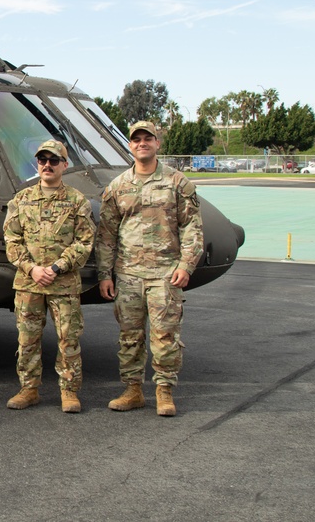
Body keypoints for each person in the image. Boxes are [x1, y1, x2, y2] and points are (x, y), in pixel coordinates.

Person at [95, 121, 204, 417]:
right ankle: (132, 391)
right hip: (128, 275)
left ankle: (164, 392)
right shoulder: (118, 187)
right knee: (129, 338)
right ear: (130, 146)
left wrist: (186, 264)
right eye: (136, 139)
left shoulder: (177, 182)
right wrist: (105, 275)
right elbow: (106, 235)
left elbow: (192, 227)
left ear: (157, 144)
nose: (142, 143)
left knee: (165, 337)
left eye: (148, 139)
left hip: (165, 274)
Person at [3, 140, 95, 412]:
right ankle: (29, 389)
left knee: (68, 339)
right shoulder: (21, 200)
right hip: (29, 283)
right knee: (27, 339)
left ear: (64, 165)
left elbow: (84, 243)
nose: (47, 164)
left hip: (63, 284)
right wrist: (31, 268)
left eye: (54, 160)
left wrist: (56, 268)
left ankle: (69, 391)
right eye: (42, 159)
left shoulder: (77, 201)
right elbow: (11, 240)